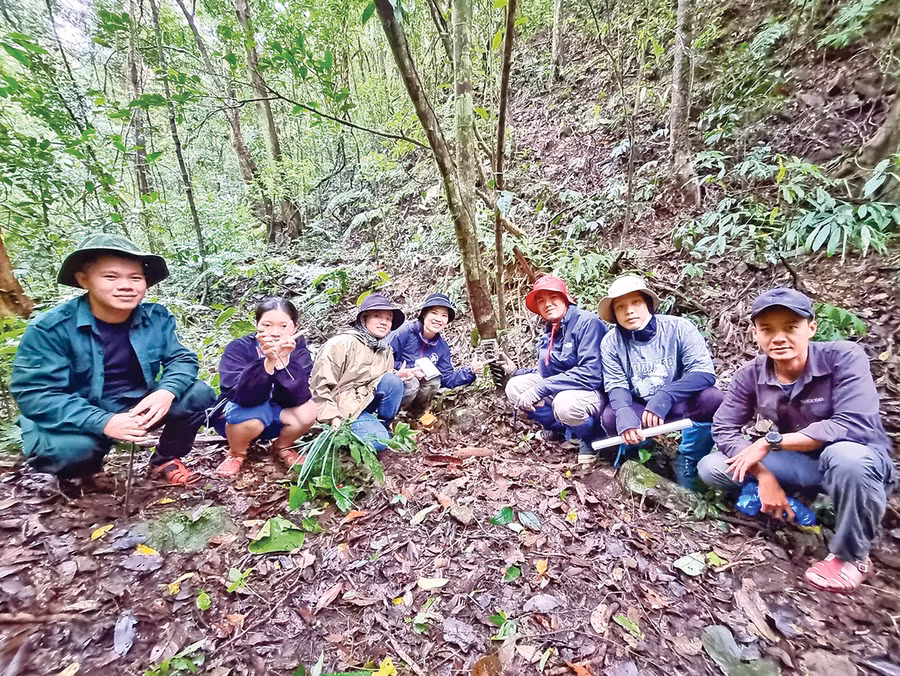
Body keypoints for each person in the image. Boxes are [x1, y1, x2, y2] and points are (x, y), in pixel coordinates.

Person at [699, 288, 894, 594]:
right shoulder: (750, 375)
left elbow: (854, 423)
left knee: (847, 458)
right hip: (802, 465)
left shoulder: (843, 358)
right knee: (713, 466)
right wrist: (763, 476)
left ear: (811, 328)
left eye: (790, 327)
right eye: (767, 330)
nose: (779, 338)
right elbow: (724, 426)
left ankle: (851, 555)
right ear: (754, 333)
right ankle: (790, 499)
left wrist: (771, 442)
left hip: (855, 462)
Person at [10, 233, 216, 485]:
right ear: (84, 280)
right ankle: (83, 473)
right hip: (79, 412)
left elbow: (181, 359)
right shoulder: (51, 328)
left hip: (136, 404)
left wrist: (166, 392)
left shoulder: (156, 318)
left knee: (198, 393)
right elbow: (35, 393)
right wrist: (103, 421)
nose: (126, 286)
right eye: (111, 277)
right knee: (68, 453)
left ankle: (164, 460)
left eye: (135, 278)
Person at [598, 275, 723, 487]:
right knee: (612, 417)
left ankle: (689, 458)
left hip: (677, 401)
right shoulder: (611, 343)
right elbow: (615, 384)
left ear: (648, 304)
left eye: (635, 302)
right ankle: (643, 453)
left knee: (713, 398)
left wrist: (665, 395)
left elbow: (703, 372)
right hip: (641, 406)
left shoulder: (679, 328)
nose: (629, 311)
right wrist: (624, 414)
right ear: (614, 314)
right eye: (620, 307)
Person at [500, 276, 607, 464]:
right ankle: (560, 429)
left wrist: (541, 388)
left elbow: (592, 373)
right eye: (541, 301)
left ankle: (590, 437)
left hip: (594, 392)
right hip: (560, 388)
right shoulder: (549, 330)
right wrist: (516, 371)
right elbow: (547, 372)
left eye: (553, 298)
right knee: (515, 387)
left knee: (564, 403)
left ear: (566, 298)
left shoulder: (587, 323)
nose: (547, 304)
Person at [214, 298, 317, 478]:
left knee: (308, 410)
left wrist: (283, 360)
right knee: (254, 415)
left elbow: (297, 397)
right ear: (257, 325)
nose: (275, 333)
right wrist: (268, 362)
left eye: (283, 326)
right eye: (267, 325)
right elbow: (241, 396)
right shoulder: (239, 348)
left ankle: (282, 446)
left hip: (277, 415)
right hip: (240, 417)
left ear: (294, 327)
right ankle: (237, 453)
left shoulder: (299, 352)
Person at [310, 294, 406, 450]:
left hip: (364, 400)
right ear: (364, 318)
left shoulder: (384, 348)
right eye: (377, 316)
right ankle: (354, 433)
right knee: (379, 442)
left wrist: (397, 376)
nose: (384, 322)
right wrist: (332, 418)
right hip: (341, 407)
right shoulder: (341, 344)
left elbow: (380, 381)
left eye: (388, 319)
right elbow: (318, 387)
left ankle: (383, 426)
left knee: (394, 382)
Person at [389, 293, 485, 416]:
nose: (438, 319)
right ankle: (391, 415)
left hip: (415, 389)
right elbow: (382, 357)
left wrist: (471, 371)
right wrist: (408, 370)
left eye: (444, 316)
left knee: (434, 381)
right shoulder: (405, 332)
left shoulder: (442, 347)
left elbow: (446, 377)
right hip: (394, 377)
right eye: (434, 313)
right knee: (412, 383)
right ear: (424, 314)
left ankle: (415, 415)